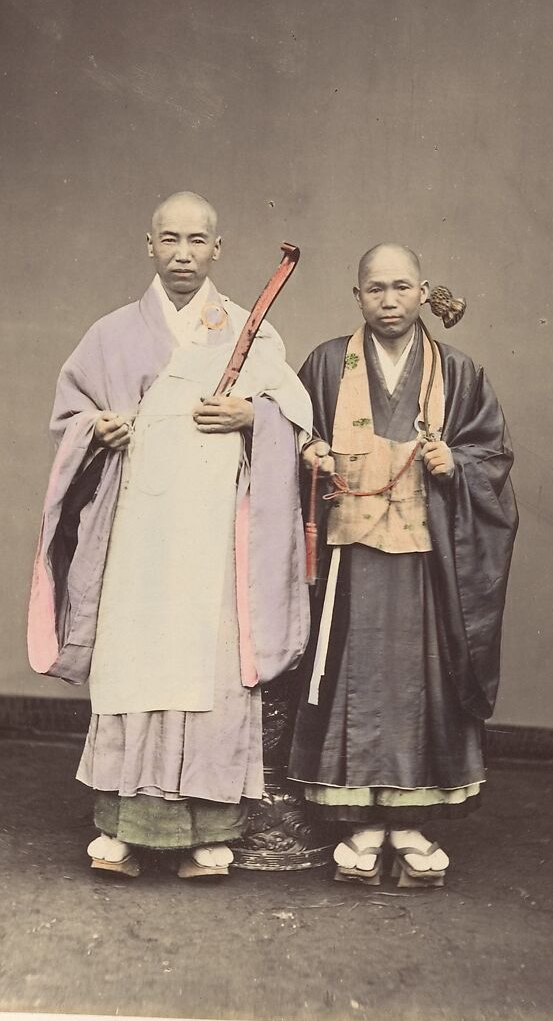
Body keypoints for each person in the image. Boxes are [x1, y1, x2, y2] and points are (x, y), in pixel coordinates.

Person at [28, 191, 312, 879]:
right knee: (136, 663)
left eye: (197, 240)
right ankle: (124, 826)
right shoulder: (111, 334)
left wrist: (253, 417)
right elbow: (71, 416)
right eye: (169, 239)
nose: (183, 253)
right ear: (148, 246)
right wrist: (98, 429)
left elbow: (294, 424)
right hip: (139, 536)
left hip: (214, 540)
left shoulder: (253, 331)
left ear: (219, 248)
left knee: (209, 668)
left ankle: (209, 832)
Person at [287, 243, 517, 887]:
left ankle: (413, 821)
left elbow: (491, 457)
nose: (388, 301)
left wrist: (457, 466)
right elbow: (291, 432)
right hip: (351, 556)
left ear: (424, 292)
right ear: (356, 296)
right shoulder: (328, 363)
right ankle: (361, 822)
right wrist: (312, 454)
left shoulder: (460, 371)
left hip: (426, 558)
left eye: (401, 287)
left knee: (423, 677)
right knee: (354, 676)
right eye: (375, 289)